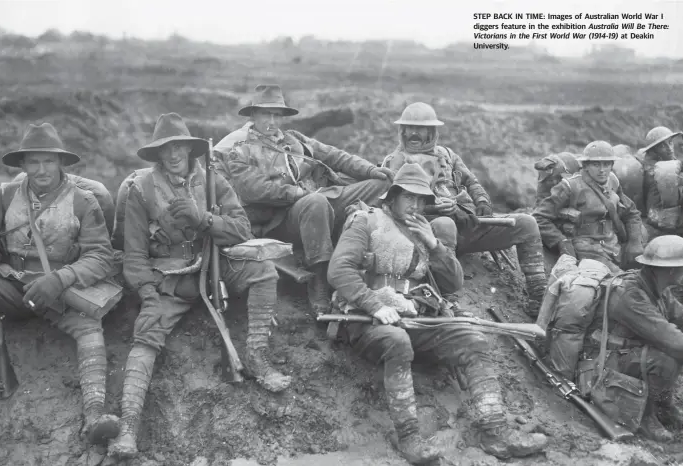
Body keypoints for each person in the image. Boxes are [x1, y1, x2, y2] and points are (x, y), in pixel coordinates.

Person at [327, 163, 548, 464]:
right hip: (368, 320)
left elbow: (452, 283)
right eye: (408, 198)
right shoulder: (365, 221)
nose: (416, 205)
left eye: (421, 200)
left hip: (418, 317)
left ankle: (495, 432)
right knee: (397, 342)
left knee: (472, 339)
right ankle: (409, 438)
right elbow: (339, 270)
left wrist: (434, 244)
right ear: (391, 198)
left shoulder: (424, 231)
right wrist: (376, 305)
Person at [109, 113, 288, 458]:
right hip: (169, 279)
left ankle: (258, 356)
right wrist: (147, 294)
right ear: (157, 155)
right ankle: (128, 428)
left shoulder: (212, 181)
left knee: (264, 271)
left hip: (213, 266)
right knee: (146, 336)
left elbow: (242, 231)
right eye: (166, 149)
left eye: (180, 147)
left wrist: (203, 218)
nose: (174, 155)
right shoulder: (140, 190)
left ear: (190, 150)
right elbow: (133, 256)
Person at [0, 123, 120, 444]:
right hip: (10, 286)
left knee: (90, 329)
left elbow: (102, 257)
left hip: (63, 291)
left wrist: (61, 278)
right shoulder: (3, 196)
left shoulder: (83, 201)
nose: (41, 170)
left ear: (61, 163)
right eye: (34, 162)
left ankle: (94, 414)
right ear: (22, 166)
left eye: (48, 161)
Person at [224, 84, 394, 314]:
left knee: (381, 185)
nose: (272, 121)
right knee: (315, 203)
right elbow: (254, 190)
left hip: (321, 201)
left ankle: (367, 256)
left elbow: (335, 156)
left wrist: (371, 170)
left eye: (276, 115)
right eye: (266, 114)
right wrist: (298, 194)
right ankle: (320, 280)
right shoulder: (240, 150)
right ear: (253, 115)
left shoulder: (295, 140)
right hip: (280, 220)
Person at [382, 102, 547, 316]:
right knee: (445, 223)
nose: (413, 133)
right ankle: (447, 299)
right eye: (409, 128)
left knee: (527, 223)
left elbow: (472, 181)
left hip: (465, 224)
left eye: (420, 128)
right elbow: (394, 206)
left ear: (431, 131)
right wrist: (432, 207)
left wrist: (482, 202)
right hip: (428, 233)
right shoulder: (393, 163)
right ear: (402, 130)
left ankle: (538, 297)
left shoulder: (447, 156)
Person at [582, 235, 683, 441]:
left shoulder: (656, 287)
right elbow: (671, 339)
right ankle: (646, 415)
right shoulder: (630, 295)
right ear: (671, 270)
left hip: (626, 355)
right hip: (604, 364)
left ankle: (664, 406)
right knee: (667, 358)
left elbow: (679, 314)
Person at [534, 140, 644, 272]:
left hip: (614, 246)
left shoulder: (612, 182)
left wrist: (635, 242)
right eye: (596, 165)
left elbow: (631, 213)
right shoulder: (570, 187)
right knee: (619, 281)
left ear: (612, 165)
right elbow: (539, 217)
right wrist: (561, 242)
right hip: (586, 250)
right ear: (585, 166)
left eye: (606, 164)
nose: (602, 170)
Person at [637, 126, 682, 239]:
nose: (669, 148)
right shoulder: (652, 170)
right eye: (662, 146)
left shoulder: (666, 162)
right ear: (653, 151)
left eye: (670, 143)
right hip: (659, 219)